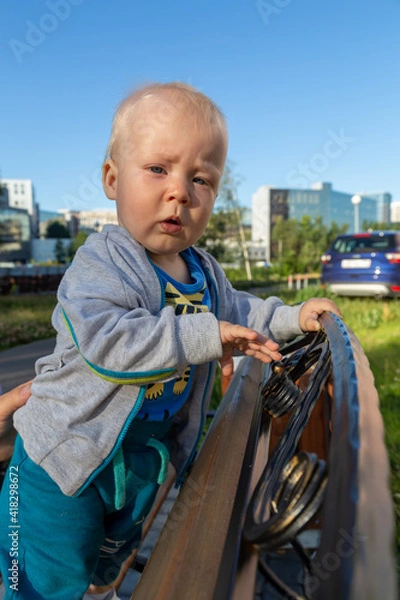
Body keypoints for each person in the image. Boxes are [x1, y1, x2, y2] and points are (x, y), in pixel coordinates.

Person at [0, 82, 341, 600]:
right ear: (112, 179)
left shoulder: (203, 271)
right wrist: (208, 332)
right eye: (158, 169)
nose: (180, 191)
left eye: (201, 178)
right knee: (43, 582)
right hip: (60, 460)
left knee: (103, 571)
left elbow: (243, 312)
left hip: (139, 462)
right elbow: (108, 343)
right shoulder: (101, 264)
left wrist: (295, 316)